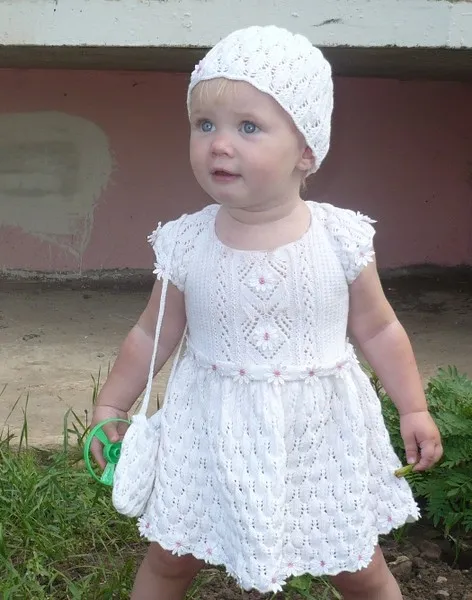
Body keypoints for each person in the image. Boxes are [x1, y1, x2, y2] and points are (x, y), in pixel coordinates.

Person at [91, 25, 442, 600]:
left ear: (306, 150)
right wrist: (111, 404)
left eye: (248, 127)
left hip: (319, 435)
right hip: (210, 431)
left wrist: (413, 407)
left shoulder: (339, 239)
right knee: (170, 559)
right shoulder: (186, 243)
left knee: (358, 568)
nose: (219, 144)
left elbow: (379, 327)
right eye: (204, 124)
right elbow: (152, 332)